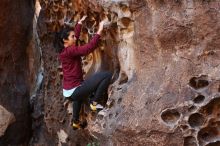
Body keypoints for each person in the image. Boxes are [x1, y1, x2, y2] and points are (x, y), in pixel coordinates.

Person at [54, 16, 112, 130]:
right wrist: (99, 31)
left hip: (68, 92)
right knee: (107, 75)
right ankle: (94, 104)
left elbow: (74, 37)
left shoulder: (64, 50)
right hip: (75, 90)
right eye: (72, 37)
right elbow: (87, 49)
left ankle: (75, 121)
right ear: (65, 40)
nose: (75, 38)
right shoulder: (70, 50)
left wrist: (79, 24)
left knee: (78, 97)